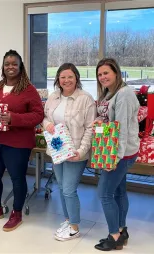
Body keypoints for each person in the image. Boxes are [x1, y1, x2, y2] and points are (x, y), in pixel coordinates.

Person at [0, 49, 44, 232]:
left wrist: (14, 118)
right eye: (7, 64)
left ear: (20, 67)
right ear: (3, 67)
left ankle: (16, 213)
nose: (10, 67)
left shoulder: (28, 89)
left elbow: (38, 115)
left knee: (17, 178)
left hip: (17, 142)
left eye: (14, 64)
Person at [43, 63, 96, 241]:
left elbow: (90, 128)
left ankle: (74, 227)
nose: (66, 80)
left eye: (70, 77)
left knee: (68, 190)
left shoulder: (85, 99)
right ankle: (68, 220)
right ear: (58, 79)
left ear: (76, 78)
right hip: (57, 150)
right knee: (61, 187)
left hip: (75, 153)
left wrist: (81, 152)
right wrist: (47, 124)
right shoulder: (53, 97)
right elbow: (44, 117)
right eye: (63, 77)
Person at [94, 58, 140, 251]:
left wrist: (115, 158)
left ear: (116, 72)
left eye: (106, 73)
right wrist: (99, 126)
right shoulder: (109, 93)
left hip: (120, 153)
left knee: (104, 194)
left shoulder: (124, 94)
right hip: (113, 149)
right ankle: (121, 230)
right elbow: (110, 126)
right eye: (99, 74)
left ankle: (114, 237)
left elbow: (120, 129)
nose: (102, 77)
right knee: (119, 192)